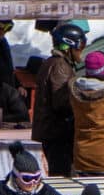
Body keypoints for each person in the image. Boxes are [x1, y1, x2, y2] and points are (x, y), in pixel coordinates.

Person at [35, 21, 87, 177]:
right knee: (62, 177)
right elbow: (61, 102)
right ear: (68, 46)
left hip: (53, 132)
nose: (81, 52)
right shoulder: (60, 66)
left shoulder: (53, 62)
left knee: (60, 174)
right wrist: (82, 104)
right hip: (58, 134)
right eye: (80, 47)